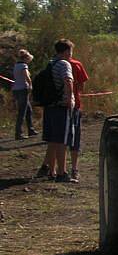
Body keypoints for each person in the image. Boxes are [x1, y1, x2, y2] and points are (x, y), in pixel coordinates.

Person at [37, 39, 76, 183]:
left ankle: (52, 171)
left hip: (50, 105)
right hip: (61, 106)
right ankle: (62, 173)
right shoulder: (64, 64)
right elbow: (68, 80)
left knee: (53, 139)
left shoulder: (51, 63)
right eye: (70, 51)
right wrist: (68, 99)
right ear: (66, 51)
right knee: (62, 140)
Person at [67, 51, 89, 182]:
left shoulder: (52, 65)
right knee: (75, 139)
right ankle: (74, 169)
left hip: (55, 107)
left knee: (57, 140)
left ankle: (52, 168)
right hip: (74, 106)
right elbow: (81, 86)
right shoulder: (76, 64)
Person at [11, 49, 37, 140]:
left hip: (16, 89)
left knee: (28, 110)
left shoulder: (16, 66)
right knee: (22, 112)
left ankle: (31, 129)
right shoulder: (23, 66)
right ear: (25, 58)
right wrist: (30, 85)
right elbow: (27, 76)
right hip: (23, 89)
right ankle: (18, 133)